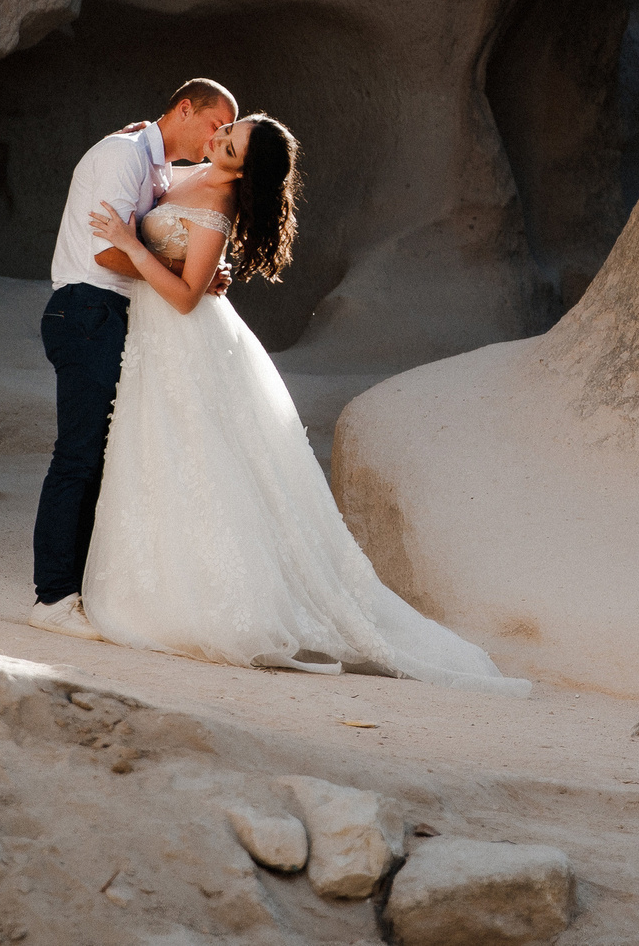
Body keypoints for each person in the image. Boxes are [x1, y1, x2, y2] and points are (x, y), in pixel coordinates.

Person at [77, 112, 527, 695]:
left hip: (184, 336)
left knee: (202, 463)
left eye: (230, 145)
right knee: (160, 455)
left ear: (242, 170)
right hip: (156, 339)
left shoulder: (217, 209)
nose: (218, 139)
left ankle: (219, 605)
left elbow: (188, 297)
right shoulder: (190, 173)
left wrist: (129, 245)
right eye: (226, 131)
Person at [27, 78, 238, 637]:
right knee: (77, 456)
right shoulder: (122, 156)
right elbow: (106, 250)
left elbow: (202, 208)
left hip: (114, 315)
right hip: (85, 308)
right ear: (185, 109)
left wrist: (199, 269)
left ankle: (78, 592)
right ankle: (51, 599)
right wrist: (184, 276)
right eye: (216, 125)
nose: (219, 137)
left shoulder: (160, 168)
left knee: (103, 459)